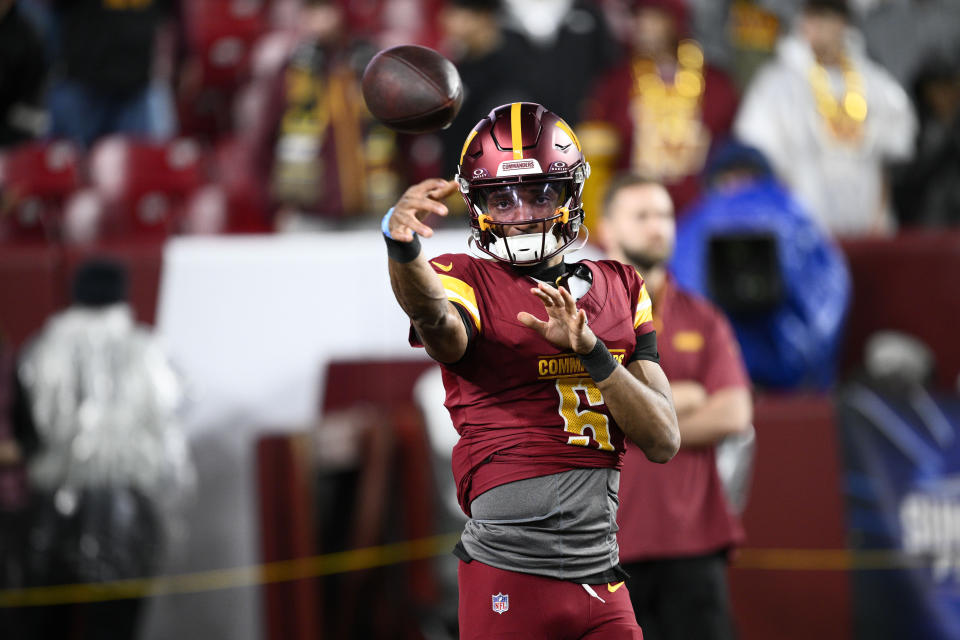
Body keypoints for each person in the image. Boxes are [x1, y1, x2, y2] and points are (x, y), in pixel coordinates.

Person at [383, 101, 680, 638]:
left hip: (601, 578)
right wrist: (403, 251)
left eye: (539, 193)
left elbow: (662, 439)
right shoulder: (465, 276)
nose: (520, 213)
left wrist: (593, 353)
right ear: (477, 205)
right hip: (509, 575)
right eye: (501, 197)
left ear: (571, 193)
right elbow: (437, 323)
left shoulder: (622, 285)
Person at [598, 175, 753, 640]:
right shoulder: (581, 316)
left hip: (692, 542)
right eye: (641, 216)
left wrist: (632, 414)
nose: (657, 227)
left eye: (664, 215)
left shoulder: (703, 316)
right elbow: (571, 411)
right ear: (607, 228)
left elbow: (734, 413)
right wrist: (683, 397)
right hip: (602, 542)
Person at [671, 140, 851, 389]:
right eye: (730, 181)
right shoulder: (695, 226)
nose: (740, 193)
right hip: (727, 384)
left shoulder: (795, 221)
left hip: (781, 377)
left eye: (748, 180)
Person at [734, 0, 916, 236]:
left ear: (843, 22)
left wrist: (880, 219)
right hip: (804, 234)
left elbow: (892, 156)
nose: (813, 25)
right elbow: (757, 159)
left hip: (868, 230)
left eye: (823, 16)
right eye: (809, 15)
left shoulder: (876, 84)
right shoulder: (776, 85)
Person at [581, 0, 740, 219]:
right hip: (635, 215)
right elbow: (596, 160)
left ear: (677, 20)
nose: (644, 26)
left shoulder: (716, 84)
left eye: (655, 17)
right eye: (639, 17)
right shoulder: (615, 85)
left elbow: (733, 156)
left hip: (703, 215)